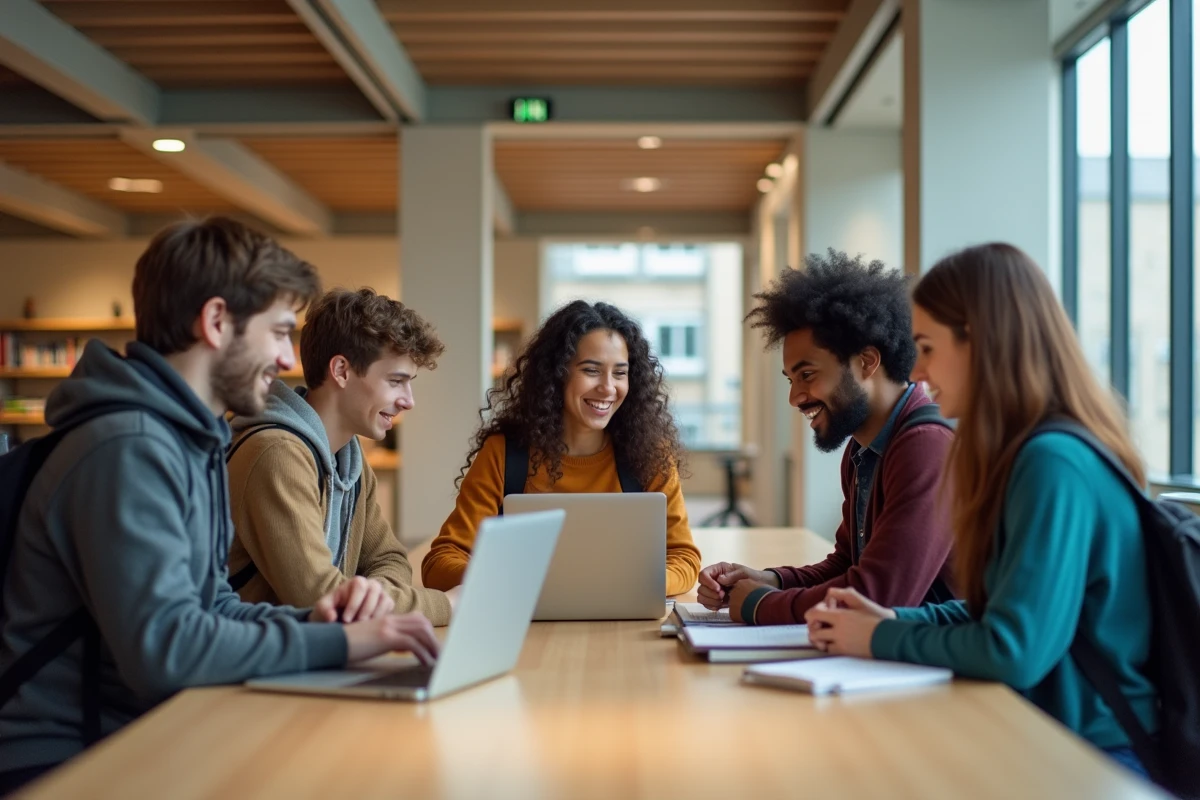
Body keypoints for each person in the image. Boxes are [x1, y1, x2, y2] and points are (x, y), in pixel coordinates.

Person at [0, 218, 438, 794]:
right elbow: (168, 649)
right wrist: (340, 641)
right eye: (279, 332)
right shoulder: (128, 447)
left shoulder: (190, 441)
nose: (287, 358)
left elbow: (213, 608)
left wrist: (318, 621)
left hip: (146, 727)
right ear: (215, 323)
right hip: (71, 758)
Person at [806, 243, 1157, 775]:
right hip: (1048, 735)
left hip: (1094, 756)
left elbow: (1012, 648)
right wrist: (894, 619)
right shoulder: (1032, 452)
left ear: (980, 341)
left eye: (927, 346)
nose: (917, 369)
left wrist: (880, 635)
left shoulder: (1052, 462)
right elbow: (999, 607)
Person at [697, 249, 955, 624]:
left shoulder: (926, 445)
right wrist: (769, 580)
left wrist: (759, 605)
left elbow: (877, 596)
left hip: (949, 675)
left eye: (807, 374)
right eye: (791, 379)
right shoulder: (862, 449)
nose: (795, 397)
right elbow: (847, 565)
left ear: (866, 362)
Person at [422, 300, 701, 596]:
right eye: (591, 370)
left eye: (620, 373)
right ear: (557, 374)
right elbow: (439, 564)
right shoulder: (503, 454)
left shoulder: (649, 457)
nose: (608, 388)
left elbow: (684, 559)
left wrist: (630, 584)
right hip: (529, 628)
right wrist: (508, 579)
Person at [227, 288, 456, 626]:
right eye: (396, 381)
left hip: (309, 655)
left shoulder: (348, 458)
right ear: (341, 371)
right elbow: (321, 599)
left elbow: (390, 558)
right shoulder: (276, 454)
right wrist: (448, 605)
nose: (409, 401)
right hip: (238, 669)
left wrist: (369, 600)